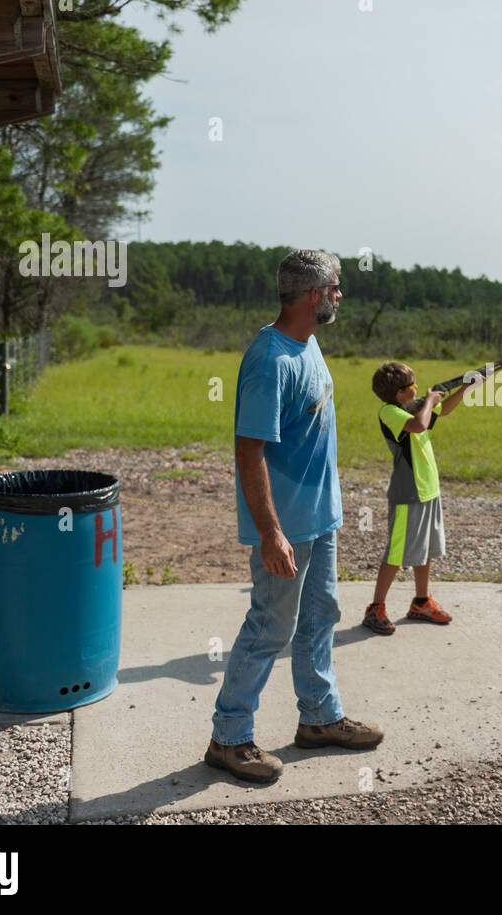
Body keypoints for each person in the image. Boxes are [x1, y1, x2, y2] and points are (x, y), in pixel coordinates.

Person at [206, 249, 382, 785]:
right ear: (313, 294)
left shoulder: (308, 344)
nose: (339, 295)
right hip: (286, 528)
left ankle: (320, 719)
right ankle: (229, 738)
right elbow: (248, 451)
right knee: (269, 626)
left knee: (320, 616)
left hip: (319, 518)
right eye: (335, 287)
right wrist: (271, 534)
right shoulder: (269, 360)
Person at [362, 361, 484, 634]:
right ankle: (376, 608)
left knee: (425, 550)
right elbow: (419, 425)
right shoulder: (389, 412)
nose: (417, 389)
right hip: (408, 493)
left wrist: (466, 388)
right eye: (412, 387)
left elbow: (445, 409)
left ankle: (421, 601)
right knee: (395, 553)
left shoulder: (416, 407)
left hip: (428, 489)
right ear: (399, 394)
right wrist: (428, 400)